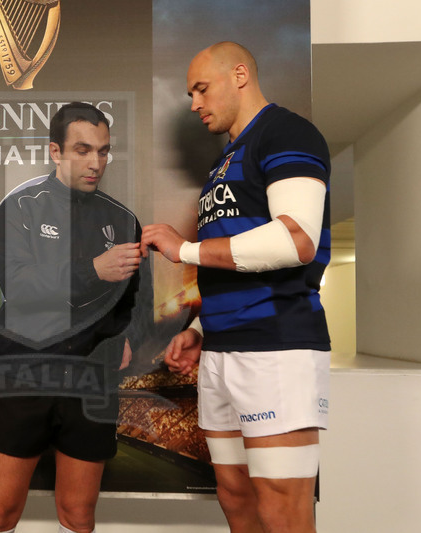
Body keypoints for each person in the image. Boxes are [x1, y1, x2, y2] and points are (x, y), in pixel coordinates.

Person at [141, 42, 331, 533]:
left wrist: (183, 251)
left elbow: (297, 238)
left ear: (240, 75)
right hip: (222, 351)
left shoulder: (286, 131)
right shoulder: (224, 162)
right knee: (234, 494)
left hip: (277, 347)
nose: (194, 103)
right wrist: (202, 328)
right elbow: (237, 259)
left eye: (202, 89)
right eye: (189, 93)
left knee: (282, 504)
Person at [0, 102, 149, 533]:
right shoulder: (19, 208)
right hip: (24, 372)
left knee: (78, 516)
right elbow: (17, 289)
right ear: (55, 152)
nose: (96, 163)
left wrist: (129, 335)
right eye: (83, 150)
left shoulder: (123, 219)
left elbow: (137, 302)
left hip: (91, 381)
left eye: (104, 152)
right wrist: (93, 269)